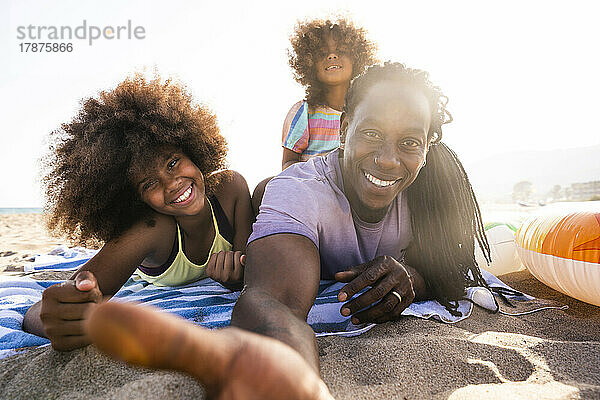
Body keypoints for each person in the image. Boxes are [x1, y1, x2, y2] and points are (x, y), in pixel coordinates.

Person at [86, 62, 490, 398]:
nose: (387, 159)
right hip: (281, 213)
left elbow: (455, 265)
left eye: (408, 142)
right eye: (371, 134)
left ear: (425, 146)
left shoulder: (435, 181)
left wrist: (414, 278)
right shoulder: (299, 191)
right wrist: (292, 376)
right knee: (268, 192)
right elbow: (271, 299)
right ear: (344, 128)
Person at [22, 74, 254, 351]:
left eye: (172, 162)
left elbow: (251, 273)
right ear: (135, 199)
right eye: (149, 183)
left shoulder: (233, 188)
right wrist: (58, 319)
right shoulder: (154, 228)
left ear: (193, 150)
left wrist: (237, 275)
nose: (172, 184)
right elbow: (43, 309)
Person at [281, 18, 376, 170]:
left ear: (357, 58)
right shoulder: (305, 112)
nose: (331, 56)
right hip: (312, 188)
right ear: (309, 63)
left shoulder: (369, 112)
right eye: (322, 53)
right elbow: (288, 164)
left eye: (341, 51)